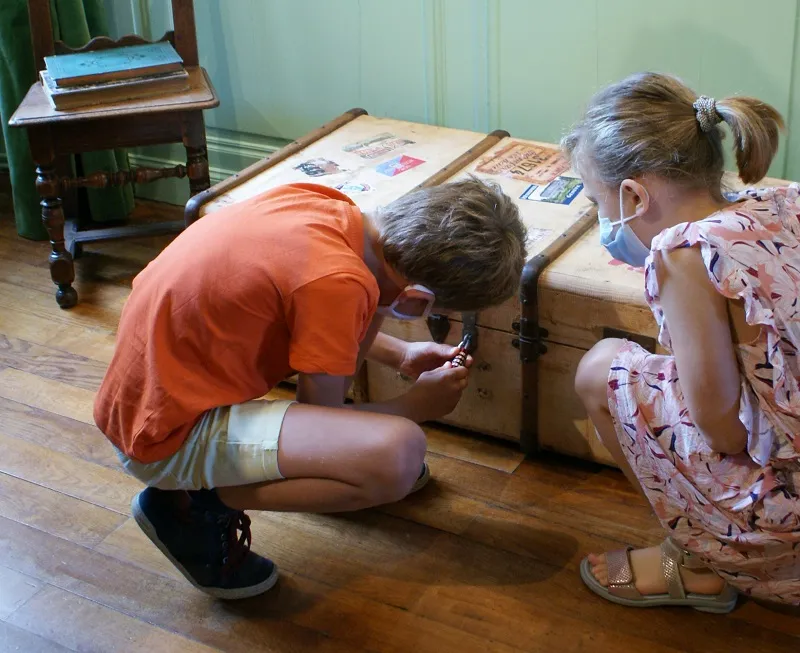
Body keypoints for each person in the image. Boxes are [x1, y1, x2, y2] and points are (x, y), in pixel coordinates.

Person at [94, 178, 527, 600]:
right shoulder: (339, 283)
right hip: (164, 439)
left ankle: (208, 485)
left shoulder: (330, 212)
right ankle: (195, 506)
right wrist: (415, 405)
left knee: (383, 452)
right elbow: (324, 416)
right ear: (415, 300)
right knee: (398, 454)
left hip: (149, 398)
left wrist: (401, 354)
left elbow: (317, 310)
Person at [564, 72, 800, 611]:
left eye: (599, 204)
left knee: (601, 368)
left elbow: (721, 430)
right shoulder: (782, 204)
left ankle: (700, 562)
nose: (604, 221)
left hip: (786, 516)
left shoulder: (684, 254)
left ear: (633, 195)